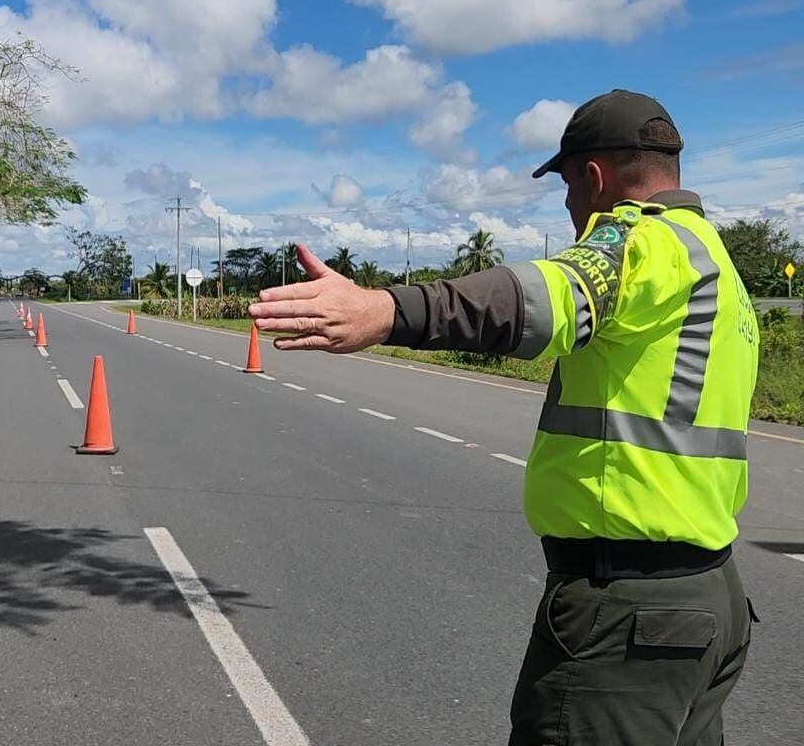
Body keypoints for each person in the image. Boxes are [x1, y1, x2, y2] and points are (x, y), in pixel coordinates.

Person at [250, 89, 758, 745]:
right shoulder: (719, 266)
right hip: (710, 601)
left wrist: (384, 310)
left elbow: (540, 300)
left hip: (629, 617)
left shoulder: (638, 240)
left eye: (569, 189)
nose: (571, 208)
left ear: (593, 177)